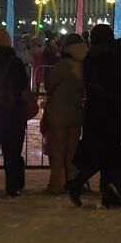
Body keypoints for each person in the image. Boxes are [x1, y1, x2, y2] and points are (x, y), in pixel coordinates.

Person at [67, 24, 121, 207]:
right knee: (108, 155)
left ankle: (90, 187)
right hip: (112, 110)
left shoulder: (90, 58)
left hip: (95, 110)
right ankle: (88, 187)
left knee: (100, 154)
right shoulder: (112, 58)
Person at [0, 29, 30, 197]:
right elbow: (24, 86)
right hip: (12, 113)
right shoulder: (16, 62)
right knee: (12, 153)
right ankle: (11, 186)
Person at [42, 32, 86, 194]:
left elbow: (49, 85)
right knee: (72, 153)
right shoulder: (83, 65)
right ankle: (73, 183)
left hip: (58, 113)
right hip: (75, 112)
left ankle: (55, 184)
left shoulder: (63, 64)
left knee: (58, 151)